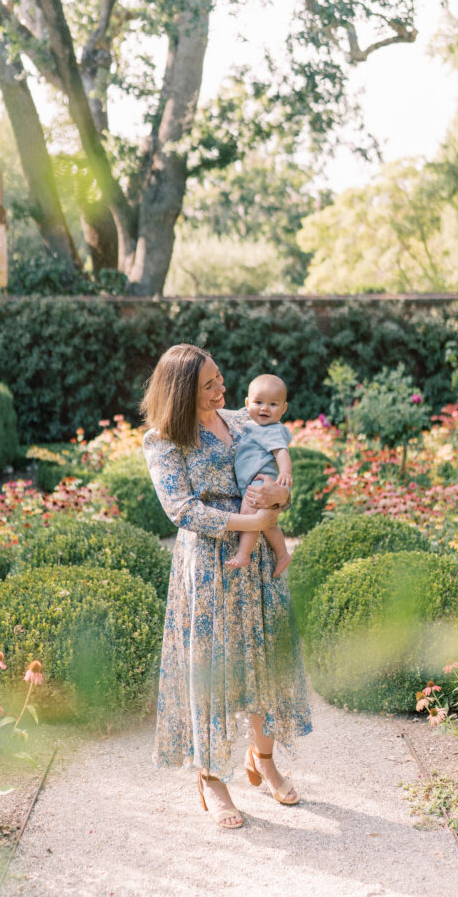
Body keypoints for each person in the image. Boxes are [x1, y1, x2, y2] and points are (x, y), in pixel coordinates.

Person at [141, 344, 311, 830]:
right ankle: (211, 778)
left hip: (255, 561)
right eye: (210, 385)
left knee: (263, 662)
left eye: (220, 378)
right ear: (181, 392)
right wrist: (250, 518)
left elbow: (275, 473)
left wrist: (280, 495)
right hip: (210, 566)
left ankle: (263, 758)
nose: (223, 390)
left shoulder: (242, 420)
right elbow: (182, 510)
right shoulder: (163, 440)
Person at [226, 374, 293, 578]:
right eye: (258, 402)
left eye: (273, 404)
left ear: (283, 409)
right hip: (254, 480)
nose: (264, 408)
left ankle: (243, 553)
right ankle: (282, 553)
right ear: (247, 403)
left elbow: (281, 451)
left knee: (249, 514)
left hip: (261, 481)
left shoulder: (271, 430)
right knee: (266, 523)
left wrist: (285, 472)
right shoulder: (251, 426)